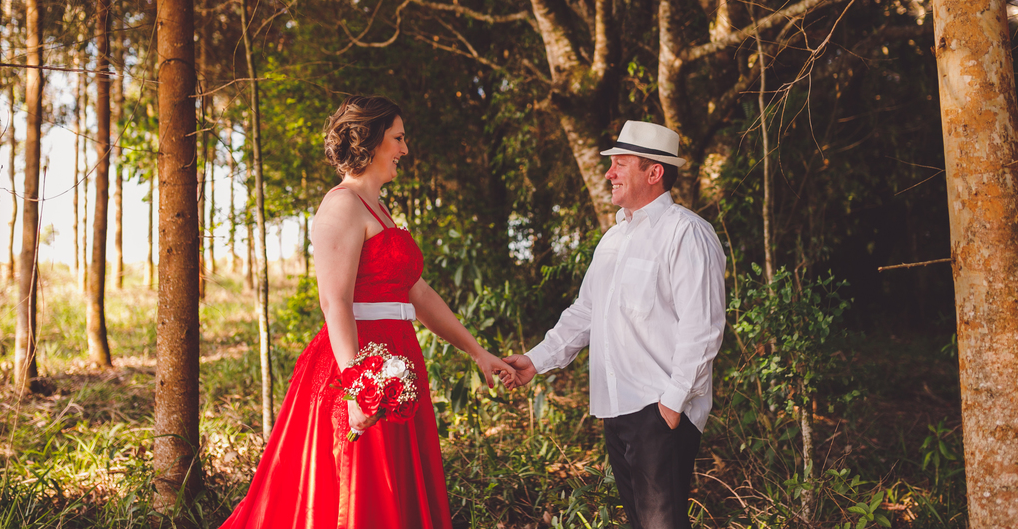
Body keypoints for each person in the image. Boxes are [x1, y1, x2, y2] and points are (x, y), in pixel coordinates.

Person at [220, 95, 514, 529]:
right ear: (372, 141)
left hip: (400, 361)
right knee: (362, 493)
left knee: (399, 488)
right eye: (398, 138)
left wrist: (477, 352)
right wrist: (357, 385)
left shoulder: (381, 208)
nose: (405, 149)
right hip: (362, 363)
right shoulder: (341, 205)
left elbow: (418, 292)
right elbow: (334, 300)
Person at [503, 120, 726, 529]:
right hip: (618, 409)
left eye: (620, 164)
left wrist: (671, 405)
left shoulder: (687, 233)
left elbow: (703, 329)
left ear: (654, 172)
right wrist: (535, 361)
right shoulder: (614, 239)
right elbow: (586, 313)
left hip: (659, 411)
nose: (609, 173)